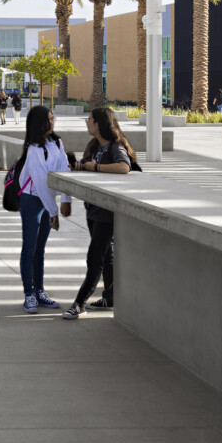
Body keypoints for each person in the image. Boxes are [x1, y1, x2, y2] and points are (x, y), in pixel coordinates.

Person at [63, 107, 132, 319]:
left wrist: (97, 168)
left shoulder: (114, 147)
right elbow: (91, 167)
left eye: (90, 119)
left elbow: (124, 167)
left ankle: (79, 303)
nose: (87, 123)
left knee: (95, 258)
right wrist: (81, 167)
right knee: (106, 257)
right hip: (93, 210)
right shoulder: (94, 147)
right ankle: (110, 298)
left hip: (106, 213)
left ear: (100, 123)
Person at [13, 105, 71, 313]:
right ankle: (29, 293)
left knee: (40, 250)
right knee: (29, 248)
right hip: (32, 201)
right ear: (39, 123)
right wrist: (53, 211)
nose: (53, 122)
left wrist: (66, 200)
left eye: (53, 118)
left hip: (48, 202)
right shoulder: (34, 149)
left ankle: (39, 291)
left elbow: (65, 171)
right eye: (49, 119)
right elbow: (39, 181)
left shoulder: (57, 142)